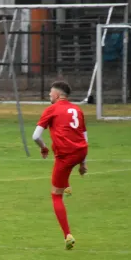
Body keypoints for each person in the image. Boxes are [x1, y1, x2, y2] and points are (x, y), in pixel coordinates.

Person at [32, 81, 88, 250]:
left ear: (56, 95)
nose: (49, 95)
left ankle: (67, 235)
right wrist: (83, 163)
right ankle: (67, 186)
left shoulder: (51, 109)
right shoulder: (77, 109)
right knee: (66, 163)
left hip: (65, 155)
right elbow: (84, 136)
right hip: (81, 151)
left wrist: (43, 147)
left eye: (50, 93)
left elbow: (35, 136)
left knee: (56, 195)